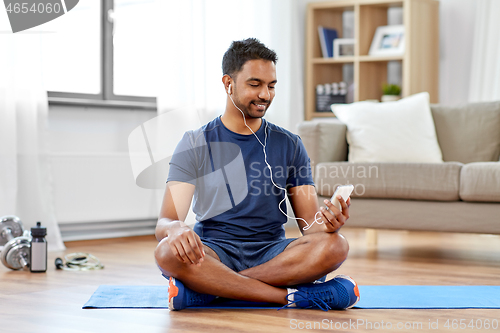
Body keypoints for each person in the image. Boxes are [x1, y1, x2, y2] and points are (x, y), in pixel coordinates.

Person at [154, 38, 359, 311]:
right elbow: (165, 221)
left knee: (336, 246)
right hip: (214, 251)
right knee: (166, 252)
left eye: (271, 86)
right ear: (228, 84)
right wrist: (176, 228)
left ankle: (211, 291)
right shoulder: (195, 142)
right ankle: (294, 297)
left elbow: (309, 226)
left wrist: (330, 224)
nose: (265, 94)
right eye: (255, 84)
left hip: (272, 254)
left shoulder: (289, 144)